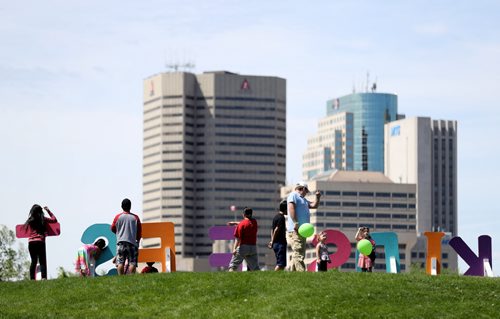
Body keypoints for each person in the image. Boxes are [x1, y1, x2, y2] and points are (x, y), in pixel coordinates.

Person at [286, 181, 321, 271]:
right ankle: (301, 272)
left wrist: (317, 197)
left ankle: (293, 272)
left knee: (299, 252)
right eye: (306, 191)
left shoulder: (303, 200)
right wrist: (296, 223)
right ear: (303, 189)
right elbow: (291, 208)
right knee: (299, 252)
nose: (306, 193)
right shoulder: (293, 195)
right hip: (296, 229)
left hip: (302, 230)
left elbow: (314, 205)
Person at [23, 204, 58, 280]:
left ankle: (32, 279)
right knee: (42, 261)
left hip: (31, 242)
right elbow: (54, 220)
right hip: (40, 241)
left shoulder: (30, 220)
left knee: (33, 261)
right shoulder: (43, 219)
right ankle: (43, 278)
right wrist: (48, 210)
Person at [111, 198, 142, 275]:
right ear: (130, 206)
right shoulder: (136, 218)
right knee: (132, 262)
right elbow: (139, 231)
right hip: (132, 242)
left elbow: (112, 228)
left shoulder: (117, 217)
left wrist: (118, 233)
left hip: (121, 242)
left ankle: (121, 277)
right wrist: (137, 240)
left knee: (120, 261)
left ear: (122, 206)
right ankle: (131, 277)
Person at [228, 207, 260, 271]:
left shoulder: (241, 224)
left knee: (233, 266)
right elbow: (246, 223)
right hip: (253, 248)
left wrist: (234, 249)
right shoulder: (254, 222)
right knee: (255, 268)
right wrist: (234, 223)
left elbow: (237, 238)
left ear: (243, 214)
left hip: (243, 247)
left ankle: (230, 278)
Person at [268, 199, 287, 271]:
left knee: (281, 263)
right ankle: (274, 277)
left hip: (276, 243)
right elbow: (276, 229)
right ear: (285, 209)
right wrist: (272, 241)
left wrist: (272, 241)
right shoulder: (281, 218)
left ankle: (279, 278)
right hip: (280, 243)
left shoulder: (276, 217)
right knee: (281, 264)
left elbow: (272, 230)